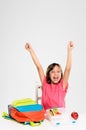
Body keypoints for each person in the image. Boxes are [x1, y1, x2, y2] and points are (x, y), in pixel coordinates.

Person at [25, 41, 74, 111]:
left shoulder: (62, 84)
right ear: (48, 74)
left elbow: (68, 69)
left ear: (61, 74)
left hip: (59, 116)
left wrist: (69, 50)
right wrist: (30, 50)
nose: (56, 74)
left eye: (58, 71)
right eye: (53, 72)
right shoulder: (45, 82)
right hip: (45, 116)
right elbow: (39, 67)